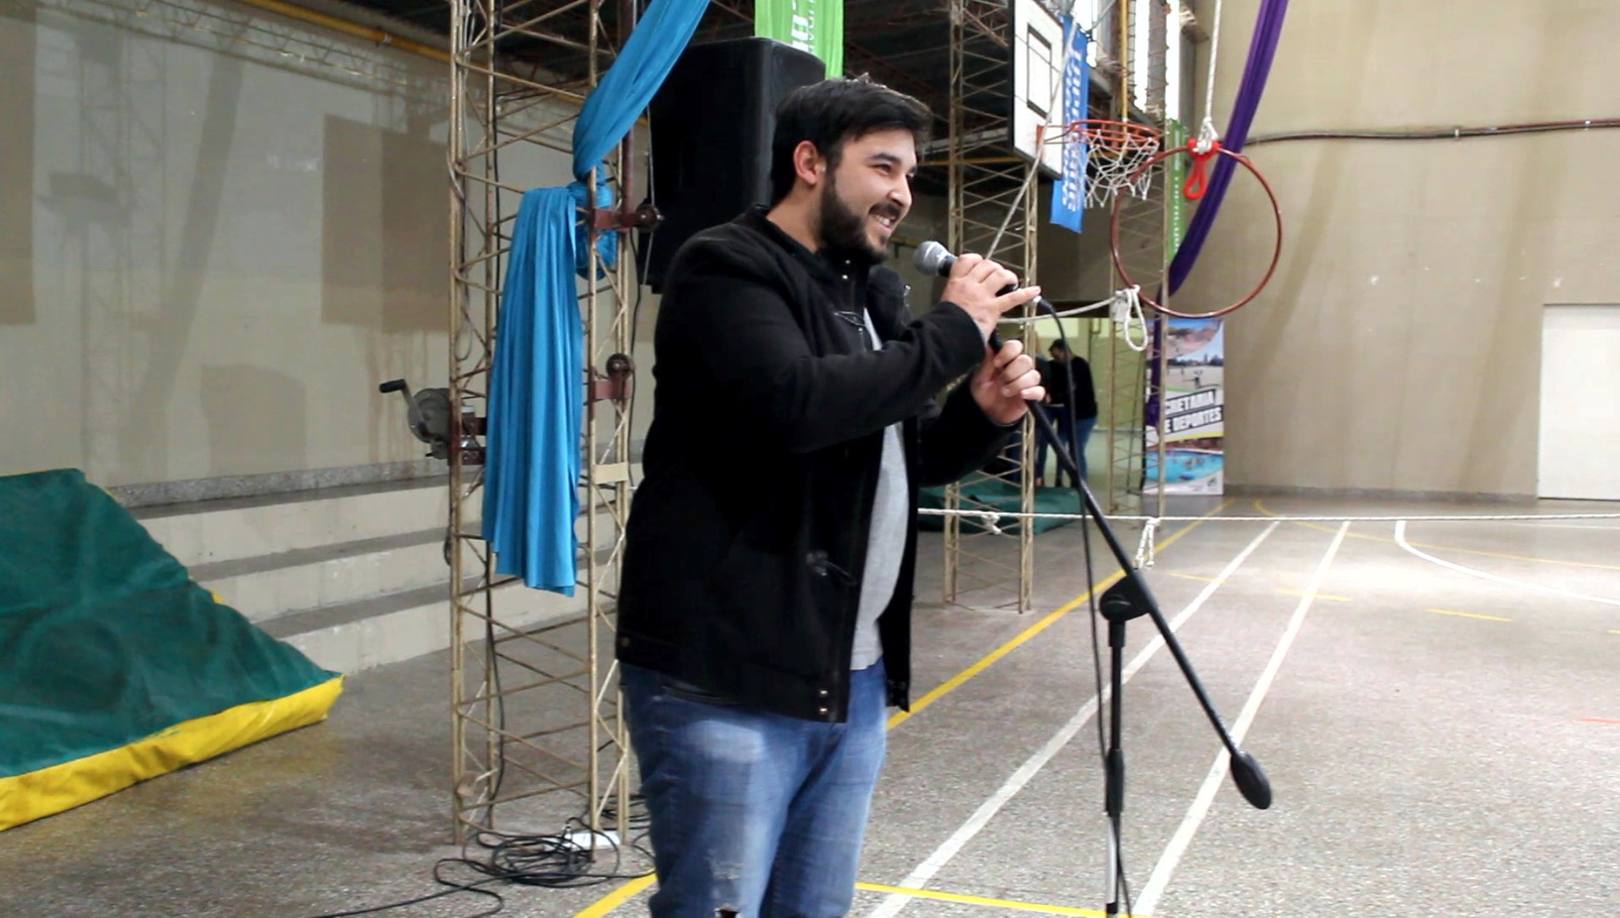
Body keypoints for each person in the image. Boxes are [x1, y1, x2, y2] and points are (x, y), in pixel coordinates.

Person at [616, 76, 1046, 917]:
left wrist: (978, 415)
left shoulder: (874, 295)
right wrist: (954, 331)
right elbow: (797, 406)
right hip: (723, 680)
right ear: (809, 162)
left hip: (843, 682)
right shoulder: (724, 267)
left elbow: (889, 456)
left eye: (910, 175)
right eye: (883, 167)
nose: (900, 194)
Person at [1040, 339, 1099, 483]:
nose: (1056, 359)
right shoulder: (1064, 365)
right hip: (1072, 415)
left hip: (1083, 417)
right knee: (1065, 447)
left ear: (1064, 351)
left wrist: (1052, 397)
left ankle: (1080, 484)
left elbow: (1073, 391)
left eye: (1057, 355)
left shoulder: (1079, 366)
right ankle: (1074, 481)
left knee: (1076, 451)